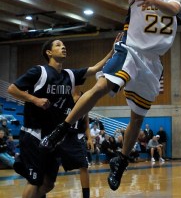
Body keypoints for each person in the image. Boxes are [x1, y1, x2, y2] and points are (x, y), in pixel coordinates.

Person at [40, 0, 181, 191]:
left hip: (152, 64)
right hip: (130, 51)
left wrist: (155, 1)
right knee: (102, 85)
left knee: (137, 117)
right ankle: (63, 129)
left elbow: (174, 11)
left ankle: (122, 160)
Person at [7, 37, 117, 198]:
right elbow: (12, 89)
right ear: (49, 52)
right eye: (58, 45)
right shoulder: (39, 72)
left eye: (64, 45)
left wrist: (112, 51)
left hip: (54, 137)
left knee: (48, 183)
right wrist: (35, 99)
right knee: (35, 181)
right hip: (34, 134)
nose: (63, 47)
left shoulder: (70, 75)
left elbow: (94, 69)